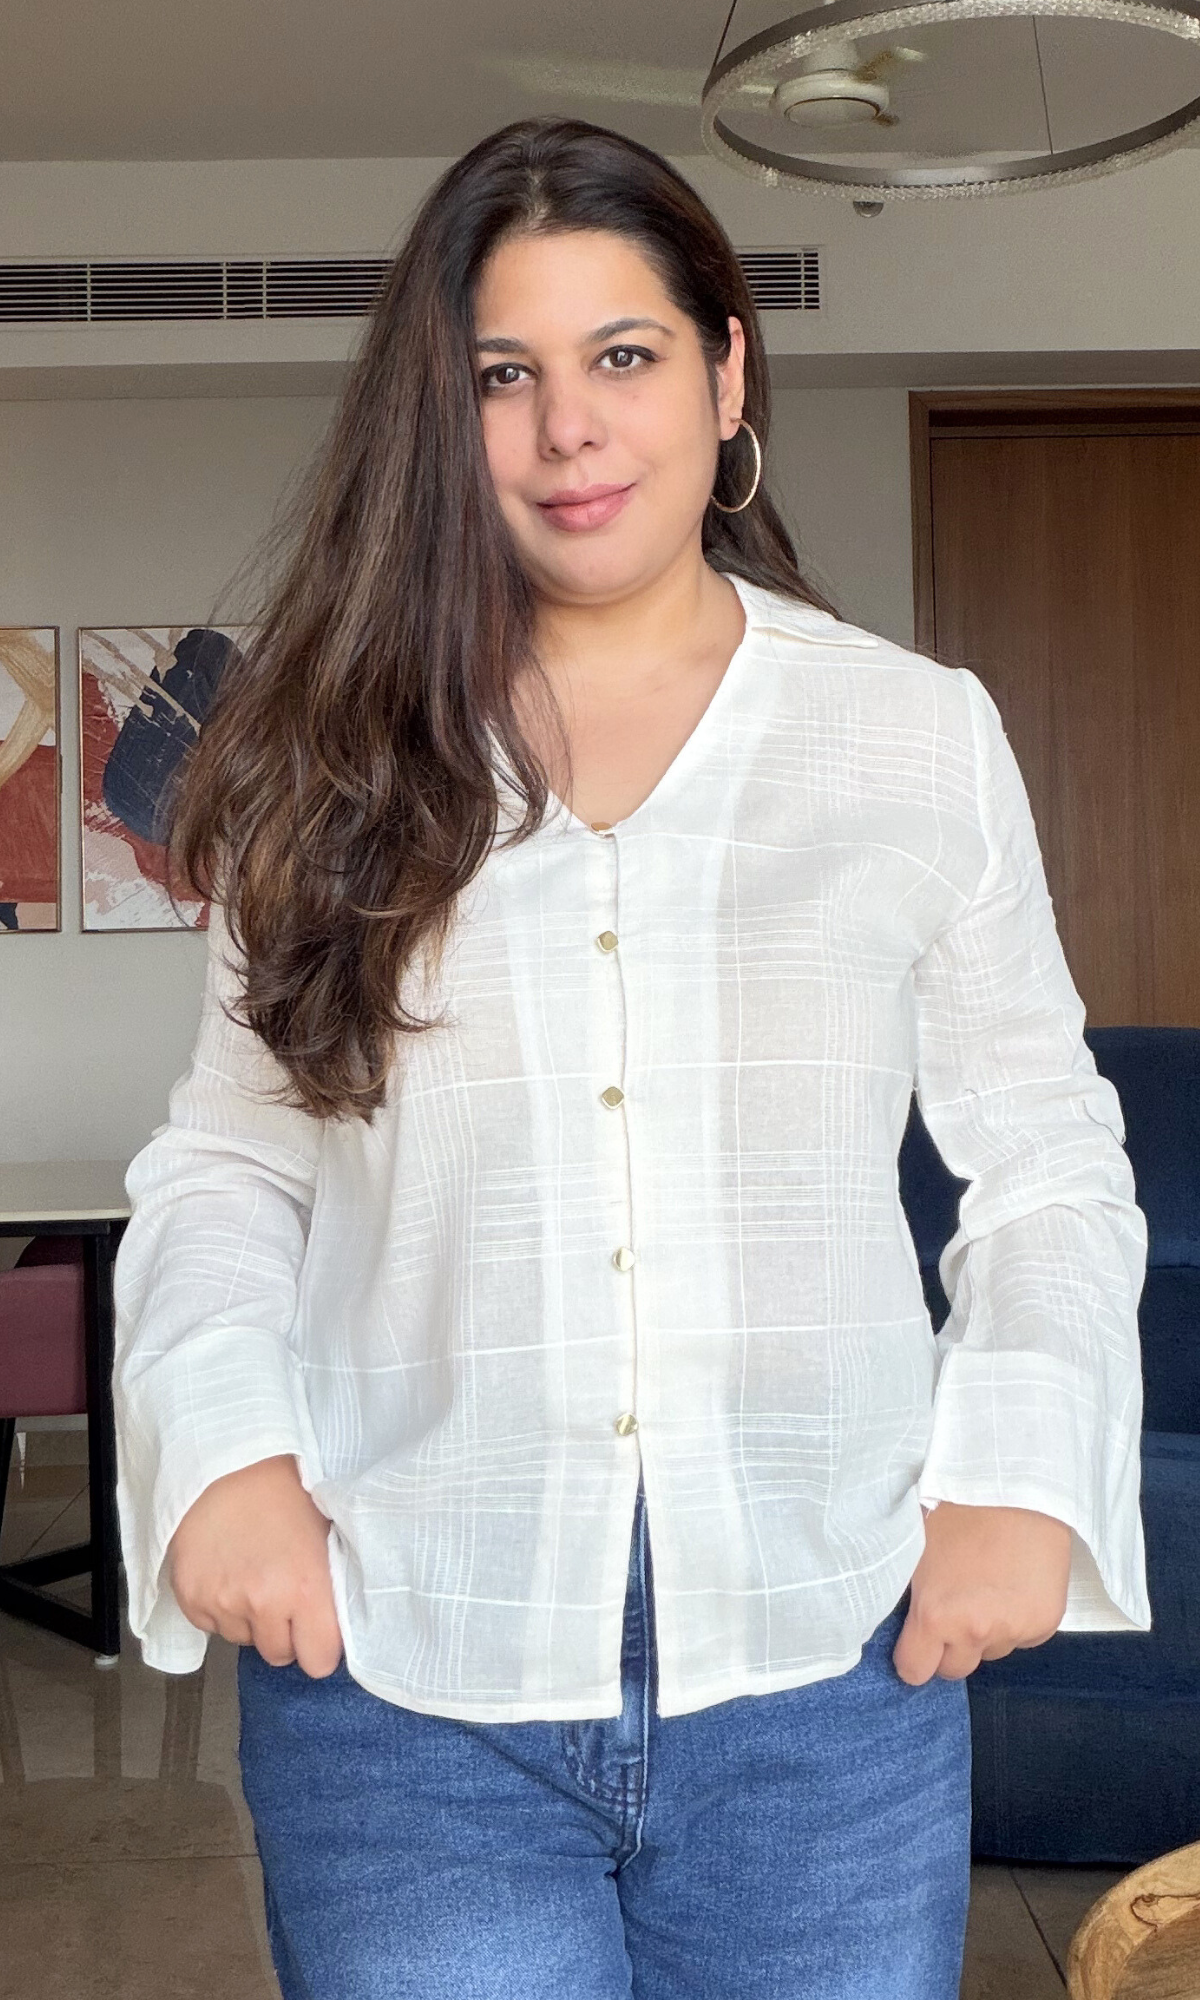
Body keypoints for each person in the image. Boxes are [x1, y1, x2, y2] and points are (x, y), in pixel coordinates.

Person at [112, 117, 1151, 2000]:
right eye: (501, 375)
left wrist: (1025, 1472)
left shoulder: (912, 738)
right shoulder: (326, 759)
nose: (567, 428)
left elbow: (1049, 1153)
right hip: (410, 1684)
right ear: (442, 423)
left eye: (622, 354)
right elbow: (230, 1162)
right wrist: (224, 1459)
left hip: (828, 1685)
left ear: (726, 373)